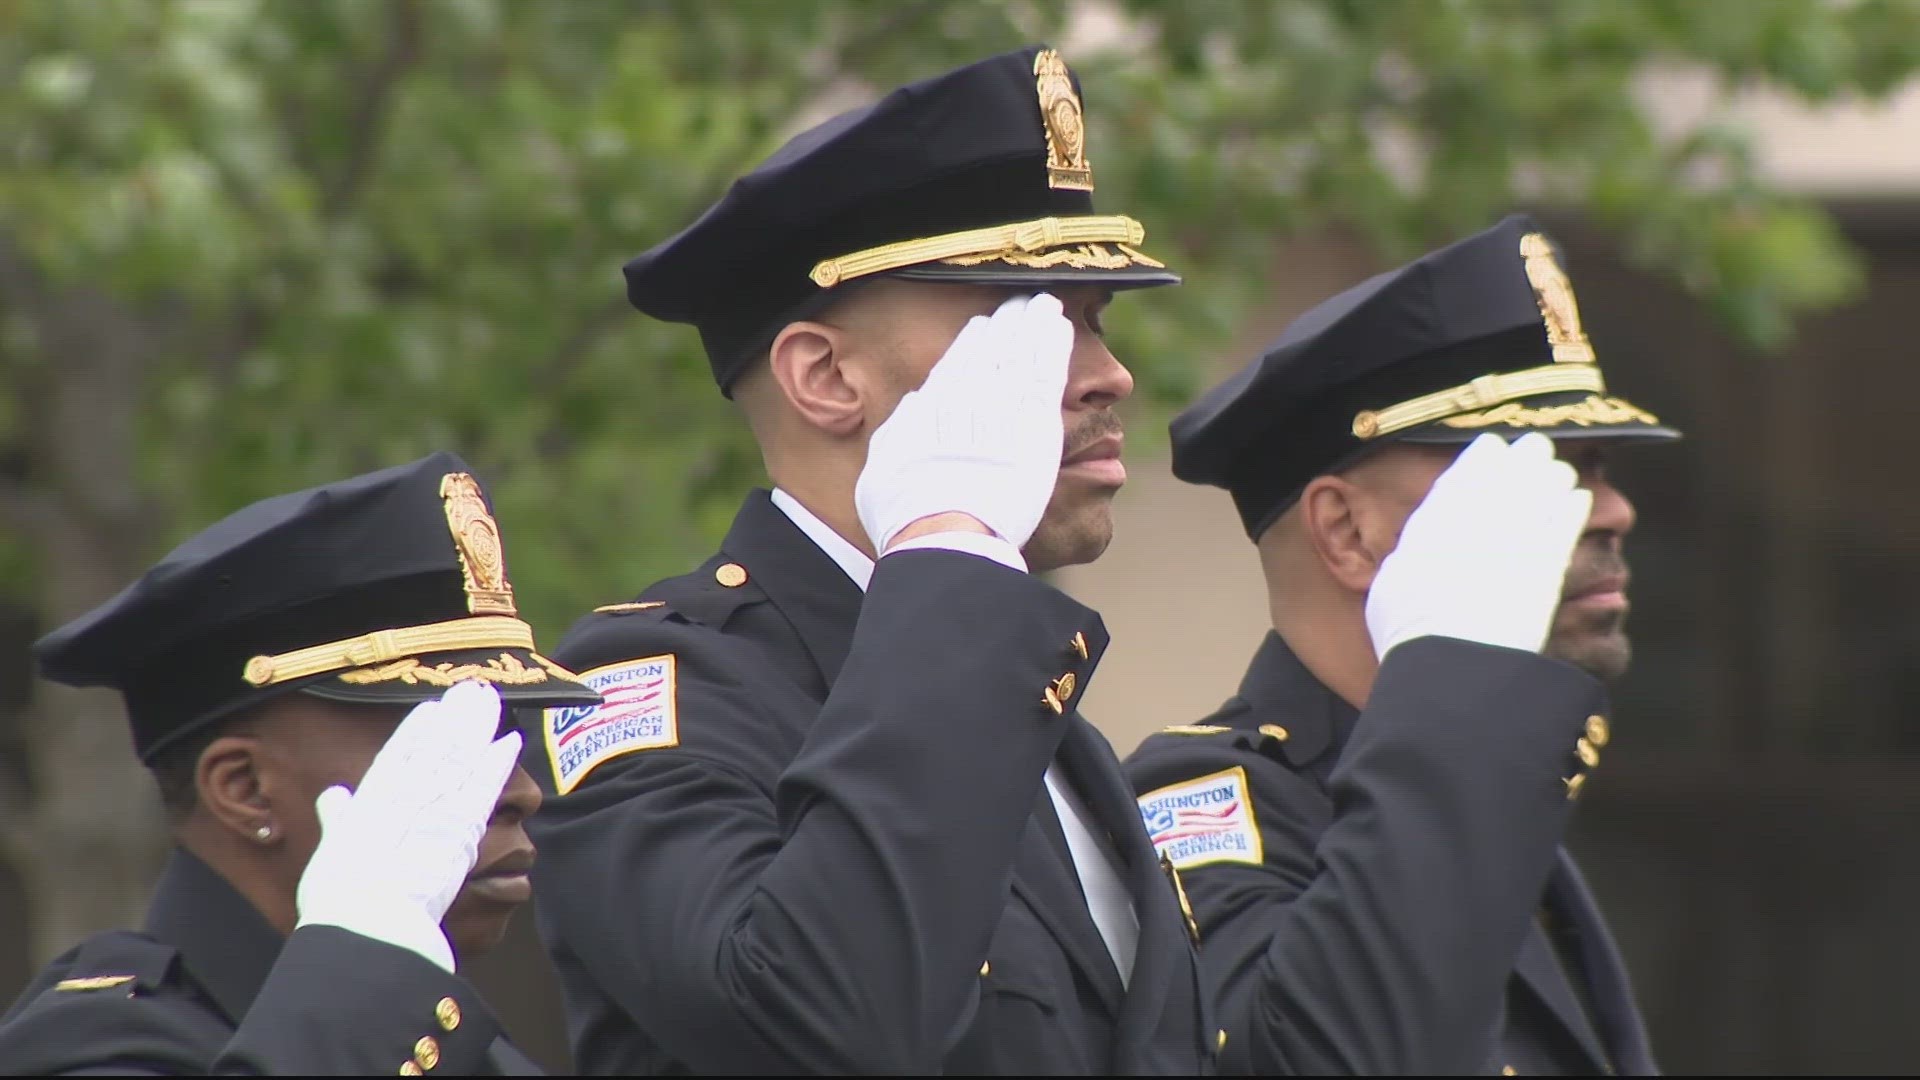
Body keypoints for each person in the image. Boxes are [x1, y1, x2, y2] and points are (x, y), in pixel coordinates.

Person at [520, 45, 1220, 1075]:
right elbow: (827, 1020)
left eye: (1096, 323)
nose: (1108, 374)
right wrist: (948, 551)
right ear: (825, 376)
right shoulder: (656, 696)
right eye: (1027, 326)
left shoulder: (1041, 712)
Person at [1122, 214, 1675, 1076]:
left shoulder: (1479, 791)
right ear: (1345, 531)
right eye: (1541, 467)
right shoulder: (1211, 808)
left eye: (1600, 465)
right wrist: (1457, 682)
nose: (1612, 510)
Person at [0, 451, 603, 1075]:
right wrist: (364, 967)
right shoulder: (91, 1048)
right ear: (245, 788)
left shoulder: (461, 1046)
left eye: (503, 737)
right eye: (436, 741)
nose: (521, 791)